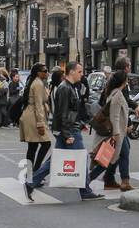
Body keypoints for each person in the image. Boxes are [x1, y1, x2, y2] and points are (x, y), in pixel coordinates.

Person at [26, 62, 97, 201]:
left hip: (69, 128)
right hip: (69, 130)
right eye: (80, 71)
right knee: (82, 159)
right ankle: (85, 192)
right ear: (71, 72)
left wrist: (81, 124)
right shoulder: (65, 88)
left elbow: (70, 112)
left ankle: (30, 183)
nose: (82, 74)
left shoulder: (70, 87)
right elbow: (62, 114)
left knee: (55, 161)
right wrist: (68, 134)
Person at [18, 64, 52, 188]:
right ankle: (36, 173)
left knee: (32, 147)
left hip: (29, 114)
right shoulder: (37, 84)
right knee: (46, 143)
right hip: (33, 117)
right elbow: (38, 105)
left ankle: (31, 175)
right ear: (38, 73)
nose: (47, 73)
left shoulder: (33, 81)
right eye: (45, 71)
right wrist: (40, 124)